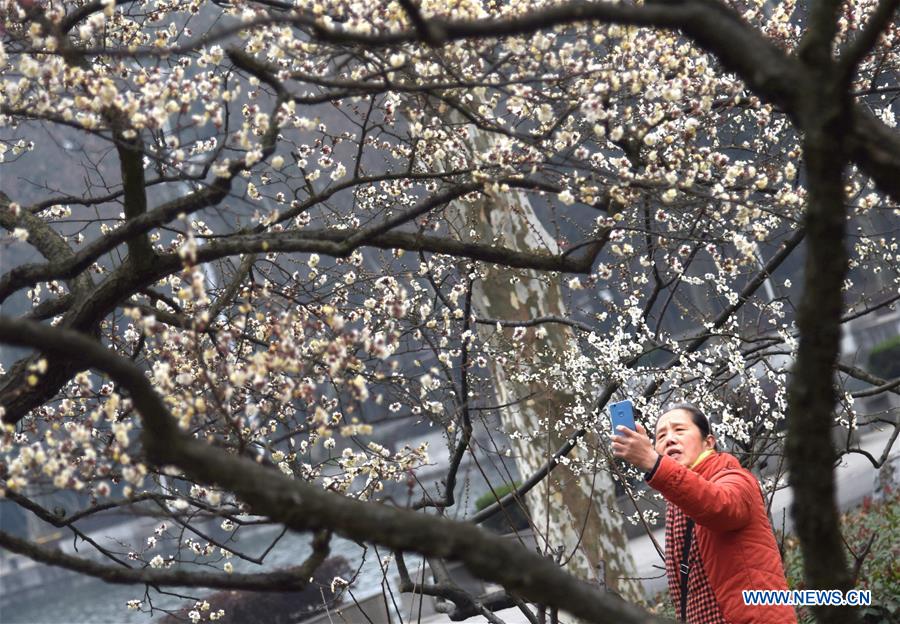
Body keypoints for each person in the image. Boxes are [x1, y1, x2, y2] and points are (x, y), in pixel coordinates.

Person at [611, 402, 797, 624]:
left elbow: (720, 506)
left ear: (709, 442)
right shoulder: (678, 497)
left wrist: (653, 462)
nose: (670, 439)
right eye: (661, 436)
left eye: (679, 430)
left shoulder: (735, 478)